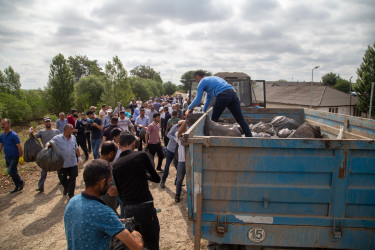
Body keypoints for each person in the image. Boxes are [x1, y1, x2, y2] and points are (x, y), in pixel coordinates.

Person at [64, 159, 143, 250]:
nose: (110, 185)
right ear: (102, 182)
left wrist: (116, 221)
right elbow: (137, 247)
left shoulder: (73, 201)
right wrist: (136, 235)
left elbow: (89, 224)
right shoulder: (103, 212)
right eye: (109, 181)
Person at [113, 133, 161, 250]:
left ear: (119, 146)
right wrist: (144, 175)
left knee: (136, 243)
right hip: (145, 206)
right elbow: (156, 178)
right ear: (133, 143)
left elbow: (120, 192)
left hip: (129, 209)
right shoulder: (142, 156)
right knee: (152, 240)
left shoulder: (116, 165)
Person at [187, 70, 252, 137]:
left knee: (213, 121)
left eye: (196, 80)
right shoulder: (213, 79)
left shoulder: (202, 81)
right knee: (240, 119)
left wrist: (188, 108)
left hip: (223, 95)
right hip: (233, 95)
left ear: (197, 77)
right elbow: (208, 101)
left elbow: (198, 100)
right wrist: (204, 112)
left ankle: (212, 139)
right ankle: (250, 137)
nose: (197, 82)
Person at [51, 124, 82, 198]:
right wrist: (49, 144)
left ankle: (71, 194)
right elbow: (50, 142)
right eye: (71, 129)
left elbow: (76, 147)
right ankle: (66, 187)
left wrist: (79, 157)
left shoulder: (73, 137)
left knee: (73, 178)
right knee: (62, 178)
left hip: (72, 162)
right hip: (62, 163)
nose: (73, 130)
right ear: (66, 130)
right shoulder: (57, 138)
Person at [29, 117, 60, 192]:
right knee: (44, 169)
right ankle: (40, 186)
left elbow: (60, 140)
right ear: (44, 123)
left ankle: (62, 180)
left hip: (56, 151)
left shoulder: (56, 131)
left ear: (51, 122)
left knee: (59, 167)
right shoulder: (41, 132)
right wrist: (30, 132)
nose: (48, 123)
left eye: (49, 121)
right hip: (46, 152)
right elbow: (32, 137)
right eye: (46, 122)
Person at [0, 118, 25, 193]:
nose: (2, 125)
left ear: (9, 124)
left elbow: (19, 146)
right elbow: (0, 146)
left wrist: (21, 157)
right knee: (13, 171)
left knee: (10, 171)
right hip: (7, 157)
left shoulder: (14, 135)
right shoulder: (2, 136)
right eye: (1, 124)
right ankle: (17, 186)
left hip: (15, 156)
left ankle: (21, 182)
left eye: (4, 124)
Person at [160, 121, 181, 188]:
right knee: (167, 166)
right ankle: (163, 181)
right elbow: (168, 134)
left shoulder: (185, 129)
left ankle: (177, 181)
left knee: (178, 166)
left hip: (177, 151)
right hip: (170, 149)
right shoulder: (175, 127)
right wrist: (175, 139)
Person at [175, 120, 188, 202]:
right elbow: (180, 131)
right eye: (179, 125)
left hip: (190, 161)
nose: (180, 126)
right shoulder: (177, 134)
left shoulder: (190, 131)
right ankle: (177, 195)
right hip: (182, 161)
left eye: (182, 124)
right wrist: (186, 120)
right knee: (179, 180)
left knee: (191, 180)